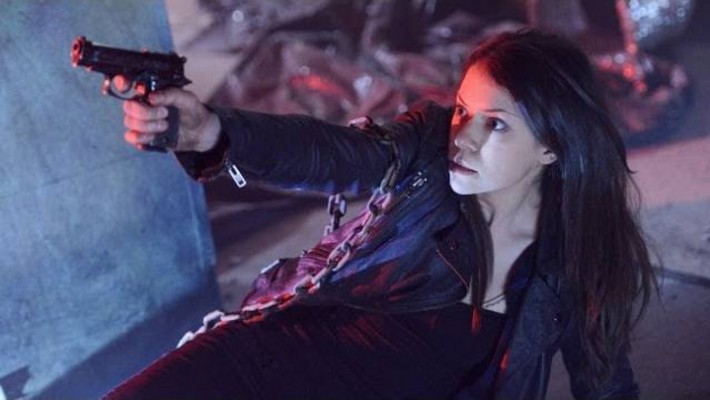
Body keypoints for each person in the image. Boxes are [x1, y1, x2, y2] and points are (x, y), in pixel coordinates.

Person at [104, 28, 656, 400]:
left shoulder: (578, 261)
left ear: (551, 147)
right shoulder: (426, 150)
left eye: (496, 124)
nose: (463, 138)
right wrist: (214, 131)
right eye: (464, 110)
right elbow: (332, 154)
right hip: (271, 359)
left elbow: (606, 383)